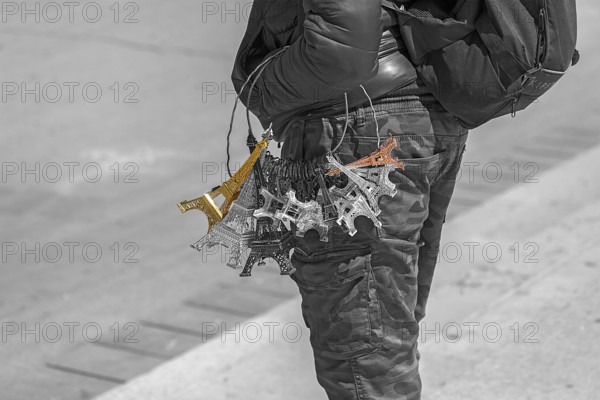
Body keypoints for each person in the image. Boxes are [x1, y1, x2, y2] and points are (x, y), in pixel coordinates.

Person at [231, 0, 468, 398]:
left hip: (363, 129)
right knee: (386, 341)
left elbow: (342, 49)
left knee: (367, 360)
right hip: (422, 115)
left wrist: (259, 86)